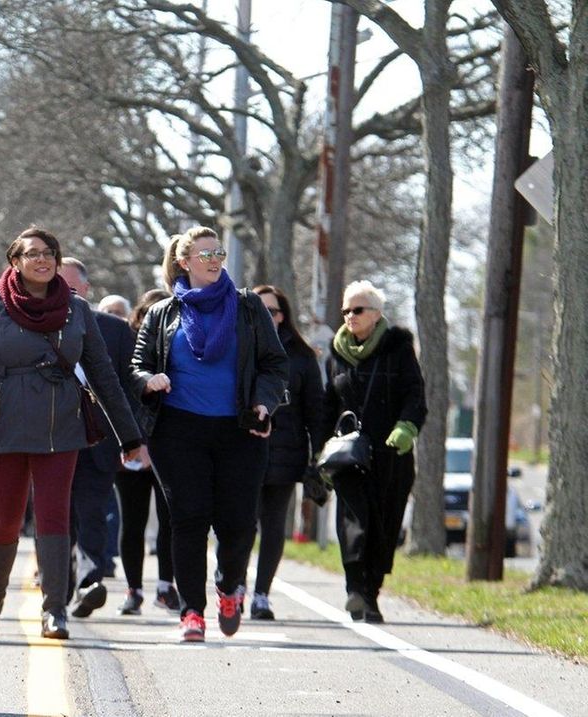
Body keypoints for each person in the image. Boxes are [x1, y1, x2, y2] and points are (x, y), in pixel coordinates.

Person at [0, 226, 145, 640]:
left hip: (61, 424)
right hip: (1, 423)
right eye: (32, 253)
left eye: (50, 253)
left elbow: (104, 376)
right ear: (15, 261)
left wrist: (131, 437)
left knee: (54, 517)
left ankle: (54, 610)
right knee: (5, 518)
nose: (42, 260)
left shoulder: (76, 309)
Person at [130, 226, 288, 643]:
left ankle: (228, 586)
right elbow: (136, 367)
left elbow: (275, 364)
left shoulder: (248, 307)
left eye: (218, 252)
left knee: (238, 524)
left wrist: (263, 401)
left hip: (239, 428)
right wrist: (149, 380)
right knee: (188, 520)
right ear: (184, 262)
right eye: (205, 254)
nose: (215, 259)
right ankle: (192, 613)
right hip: (178, 430)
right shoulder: (164, 313)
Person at [323, 280, 426, 624]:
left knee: (384, 522)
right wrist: (318, 453)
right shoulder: (336, 353)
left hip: (389, 453)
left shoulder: (398, 348)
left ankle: (372, 594)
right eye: (346, 310)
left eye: (358, 309)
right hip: (349, 454)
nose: (350, 316)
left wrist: (407, 426)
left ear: (377, 314)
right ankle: (355, 588)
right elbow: (327, 405)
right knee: (353, 519)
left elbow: (415, 393)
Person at [57, 258, 139, 619]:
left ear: (87, 291)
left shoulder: (117, 332)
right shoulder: (34, 326)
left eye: (73, 289)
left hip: (99, 442)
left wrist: (133, 438)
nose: (66, 296)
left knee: (91, 513)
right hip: (50, 439)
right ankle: (57, 589)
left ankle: (89, 582)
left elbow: (128, 389)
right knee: (57, 517)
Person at [248, 285, 326, 621]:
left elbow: (316, 410)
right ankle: (232, 587)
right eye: (261, 310)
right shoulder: (238, 348)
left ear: (285, 316)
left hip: (285, 452)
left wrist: (317, 457)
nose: (269, 317)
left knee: (274, 524)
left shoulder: (303, 357)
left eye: (274, 311)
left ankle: (261, 594)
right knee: (238, 525)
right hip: (243, 450)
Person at [114, 288, 181, 615]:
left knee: (170, 520)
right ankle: (133, 589)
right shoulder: (129, 351)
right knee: (133, 520)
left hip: (168, 446)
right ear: (139, 317)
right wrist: (132, 442)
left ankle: (167, 587)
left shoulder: (179, 349)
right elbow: (121, 398)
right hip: (131, 445)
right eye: (149, 315)